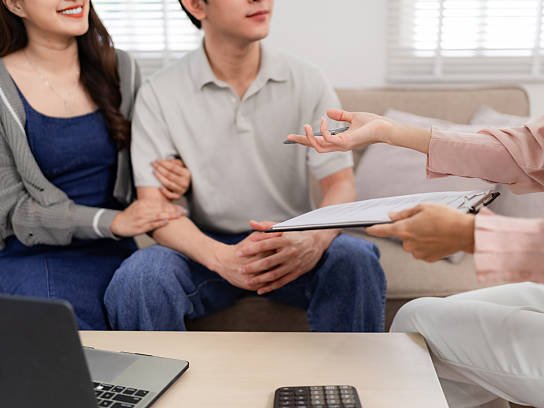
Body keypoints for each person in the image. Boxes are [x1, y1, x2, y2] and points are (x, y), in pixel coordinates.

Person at [287, 2, 544, 406]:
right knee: (416, 323)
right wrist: (391, 132)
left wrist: (471, 234)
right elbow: (536, 147)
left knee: (423, 336)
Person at [103, 0, 386, 332]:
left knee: (356, 260)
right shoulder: (159, 92)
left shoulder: (308, 80)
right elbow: (155, 208)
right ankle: (158, 384)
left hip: (290, 241)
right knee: (140, 278)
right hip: (205, 247)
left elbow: (340, 183)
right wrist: (222, 259)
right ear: (196, 6)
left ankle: (351, 384)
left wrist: (313, 239)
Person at [0, 0, 191, 330]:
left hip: (115, 249)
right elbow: (12, 210)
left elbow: (141, 162)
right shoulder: (4, 87)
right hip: (35, 258)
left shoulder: (121, 69)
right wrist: (112, 221)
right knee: (71, 355)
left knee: (149, 301)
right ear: (16, 5)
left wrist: (173, 175)